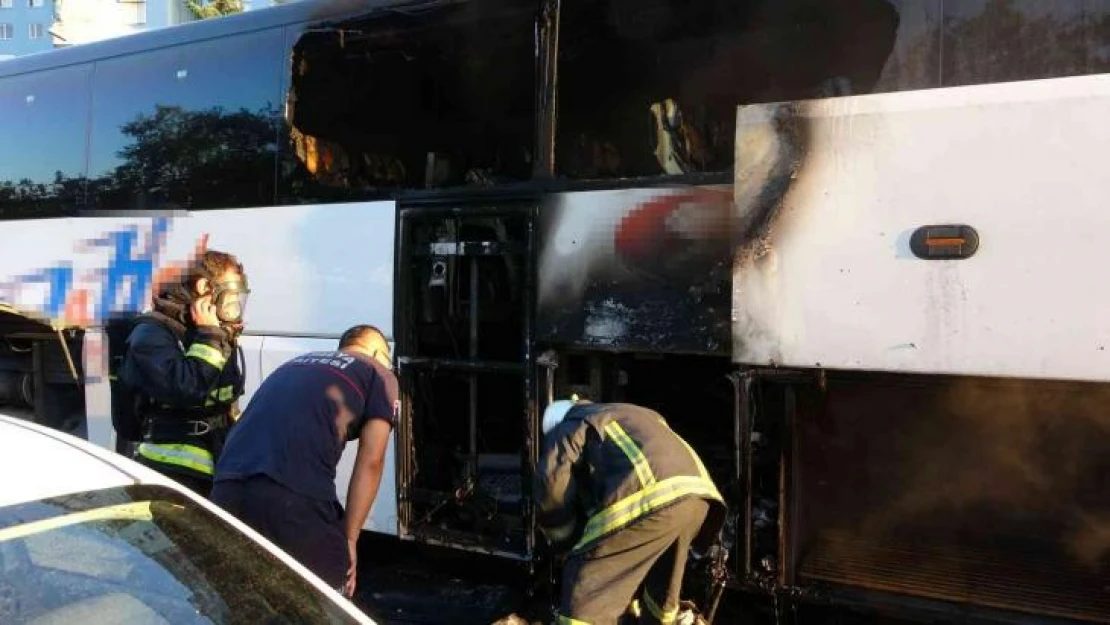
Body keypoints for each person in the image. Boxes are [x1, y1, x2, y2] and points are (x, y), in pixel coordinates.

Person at [210, 325, 399, 598]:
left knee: (241, 597)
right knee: (329, 595)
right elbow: (372, 459)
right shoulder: (378, 373)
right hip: (293, 496)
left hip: (226, 486)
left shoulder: (295, 364)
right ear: (376, 351)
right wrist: (350, 538)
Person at [535, 398, 727, 625]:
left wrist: (563, 540)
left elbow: (552, 484)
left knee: (587, 588)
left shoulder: (572, 424)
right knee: (662, 586)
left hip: (653, 499)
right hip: (700, 499)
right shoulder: (630, 414)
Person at [115, 249, 249, 497]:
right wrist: (209, 338)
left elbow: (226, 396)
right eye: (230, 300)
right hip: (173, 475)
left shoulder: (209, 331)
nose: (235, 312)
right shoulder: (151, 336)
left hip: (217, 462)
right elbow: (186, 389)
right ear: (203, 289)